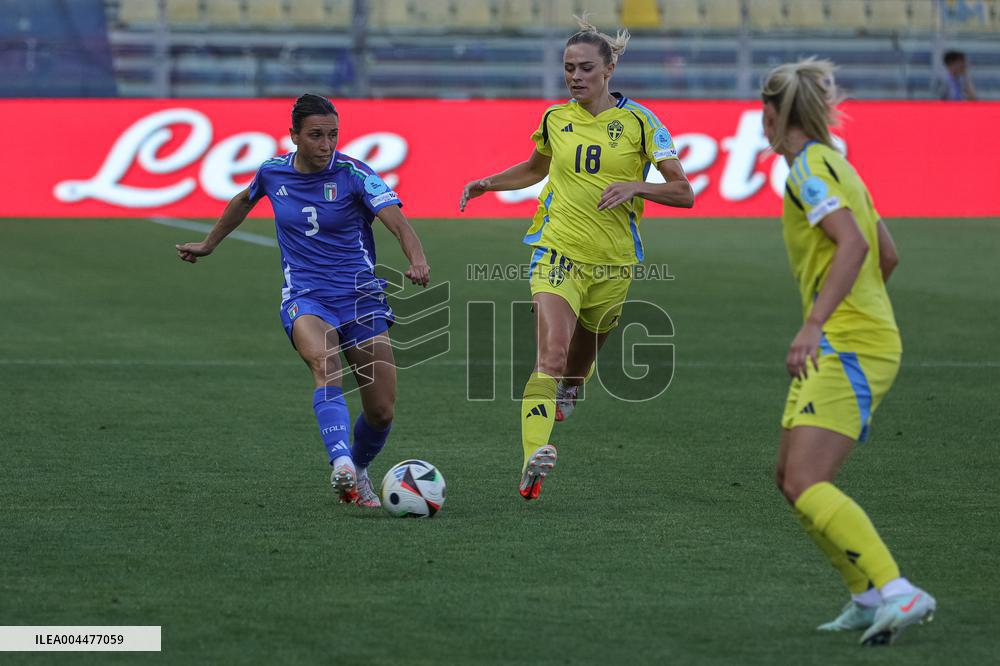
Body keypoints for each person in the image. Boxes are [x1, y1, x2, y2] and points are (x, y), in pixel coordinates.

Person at [459, 16, 694, 501]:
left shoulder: (642, 124)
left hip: (614, 263)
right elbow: (534, 167)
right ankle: (532, 461)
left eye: (586, 67)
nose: (575, 76)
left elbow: (684, 192)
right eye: (569, 68)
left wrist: (637, 185)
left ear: (609, 69)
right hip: (557, 250)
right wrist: (487, 182)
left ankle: (570, 390)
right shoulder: (555, 119)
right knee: (551, 355)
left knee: (578, 366)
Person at [176, 93, 430, 508]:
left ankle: (360, 471)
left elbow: (398, 222)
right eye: (315, 135)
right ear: (293, 135)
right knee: (324, 363)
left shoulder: (355, 174)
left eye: (332, 135)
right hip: (306, 295)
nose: (326, 145)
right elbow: (243, 201)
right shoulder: (273, 173)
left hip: (361, 296)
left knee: (382, 409)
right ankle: (342, 463)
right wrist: (209, 243)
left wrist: (417, 259)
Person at [762, 59, 936, 646]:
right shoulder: (840, 166)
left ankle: (897, 590)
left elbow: (855, 243)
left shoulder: (807, 170)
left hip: (849, 343)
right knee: (789, 475)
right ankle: (864, 598)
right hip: (858, 336)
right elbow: (888, 254)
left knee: (809, 478)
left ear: (773, 114)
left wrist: (818, 322)